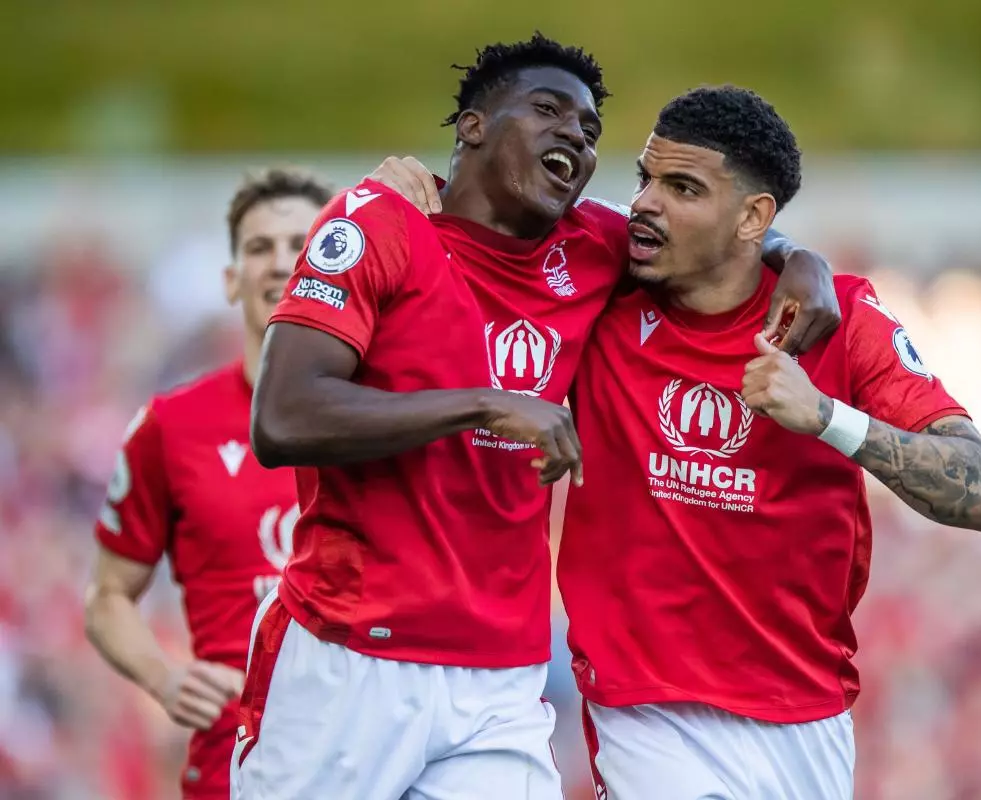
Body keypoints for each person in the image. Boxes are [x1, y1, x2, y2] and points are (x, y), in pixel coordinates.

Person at [235, 35, 840, 799]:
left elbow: (712, 231)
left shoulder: (593, 247)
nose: (575, 138)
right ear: (473, 126)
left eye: (590, 131)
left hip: (501, 677)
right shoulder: (378, 225)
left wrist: (800, 259)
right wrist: (486, 405)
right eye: (548, 110)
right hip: (350, 649)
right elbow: (283, 418)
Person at [558, 86, 981, 799]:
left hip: (804, 718)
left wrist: (829, 417)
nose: (646, 203)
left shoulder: (844, 320)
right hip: (648, 710)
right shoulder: (603, 279)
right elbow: (493, 204)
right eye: (646, 177)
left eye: (682, 188)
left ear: (752, 217)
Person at [82, 167, 332, 800]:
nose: (281, 262)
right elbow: (107, 596)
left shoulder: (389, 415)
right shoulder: (171, 426)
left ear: (338, 269)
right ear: (230, 279)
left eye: (302, 245)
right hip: (231, 763)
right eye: (260, 247)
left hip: (373, 752)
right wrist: (163, 678)